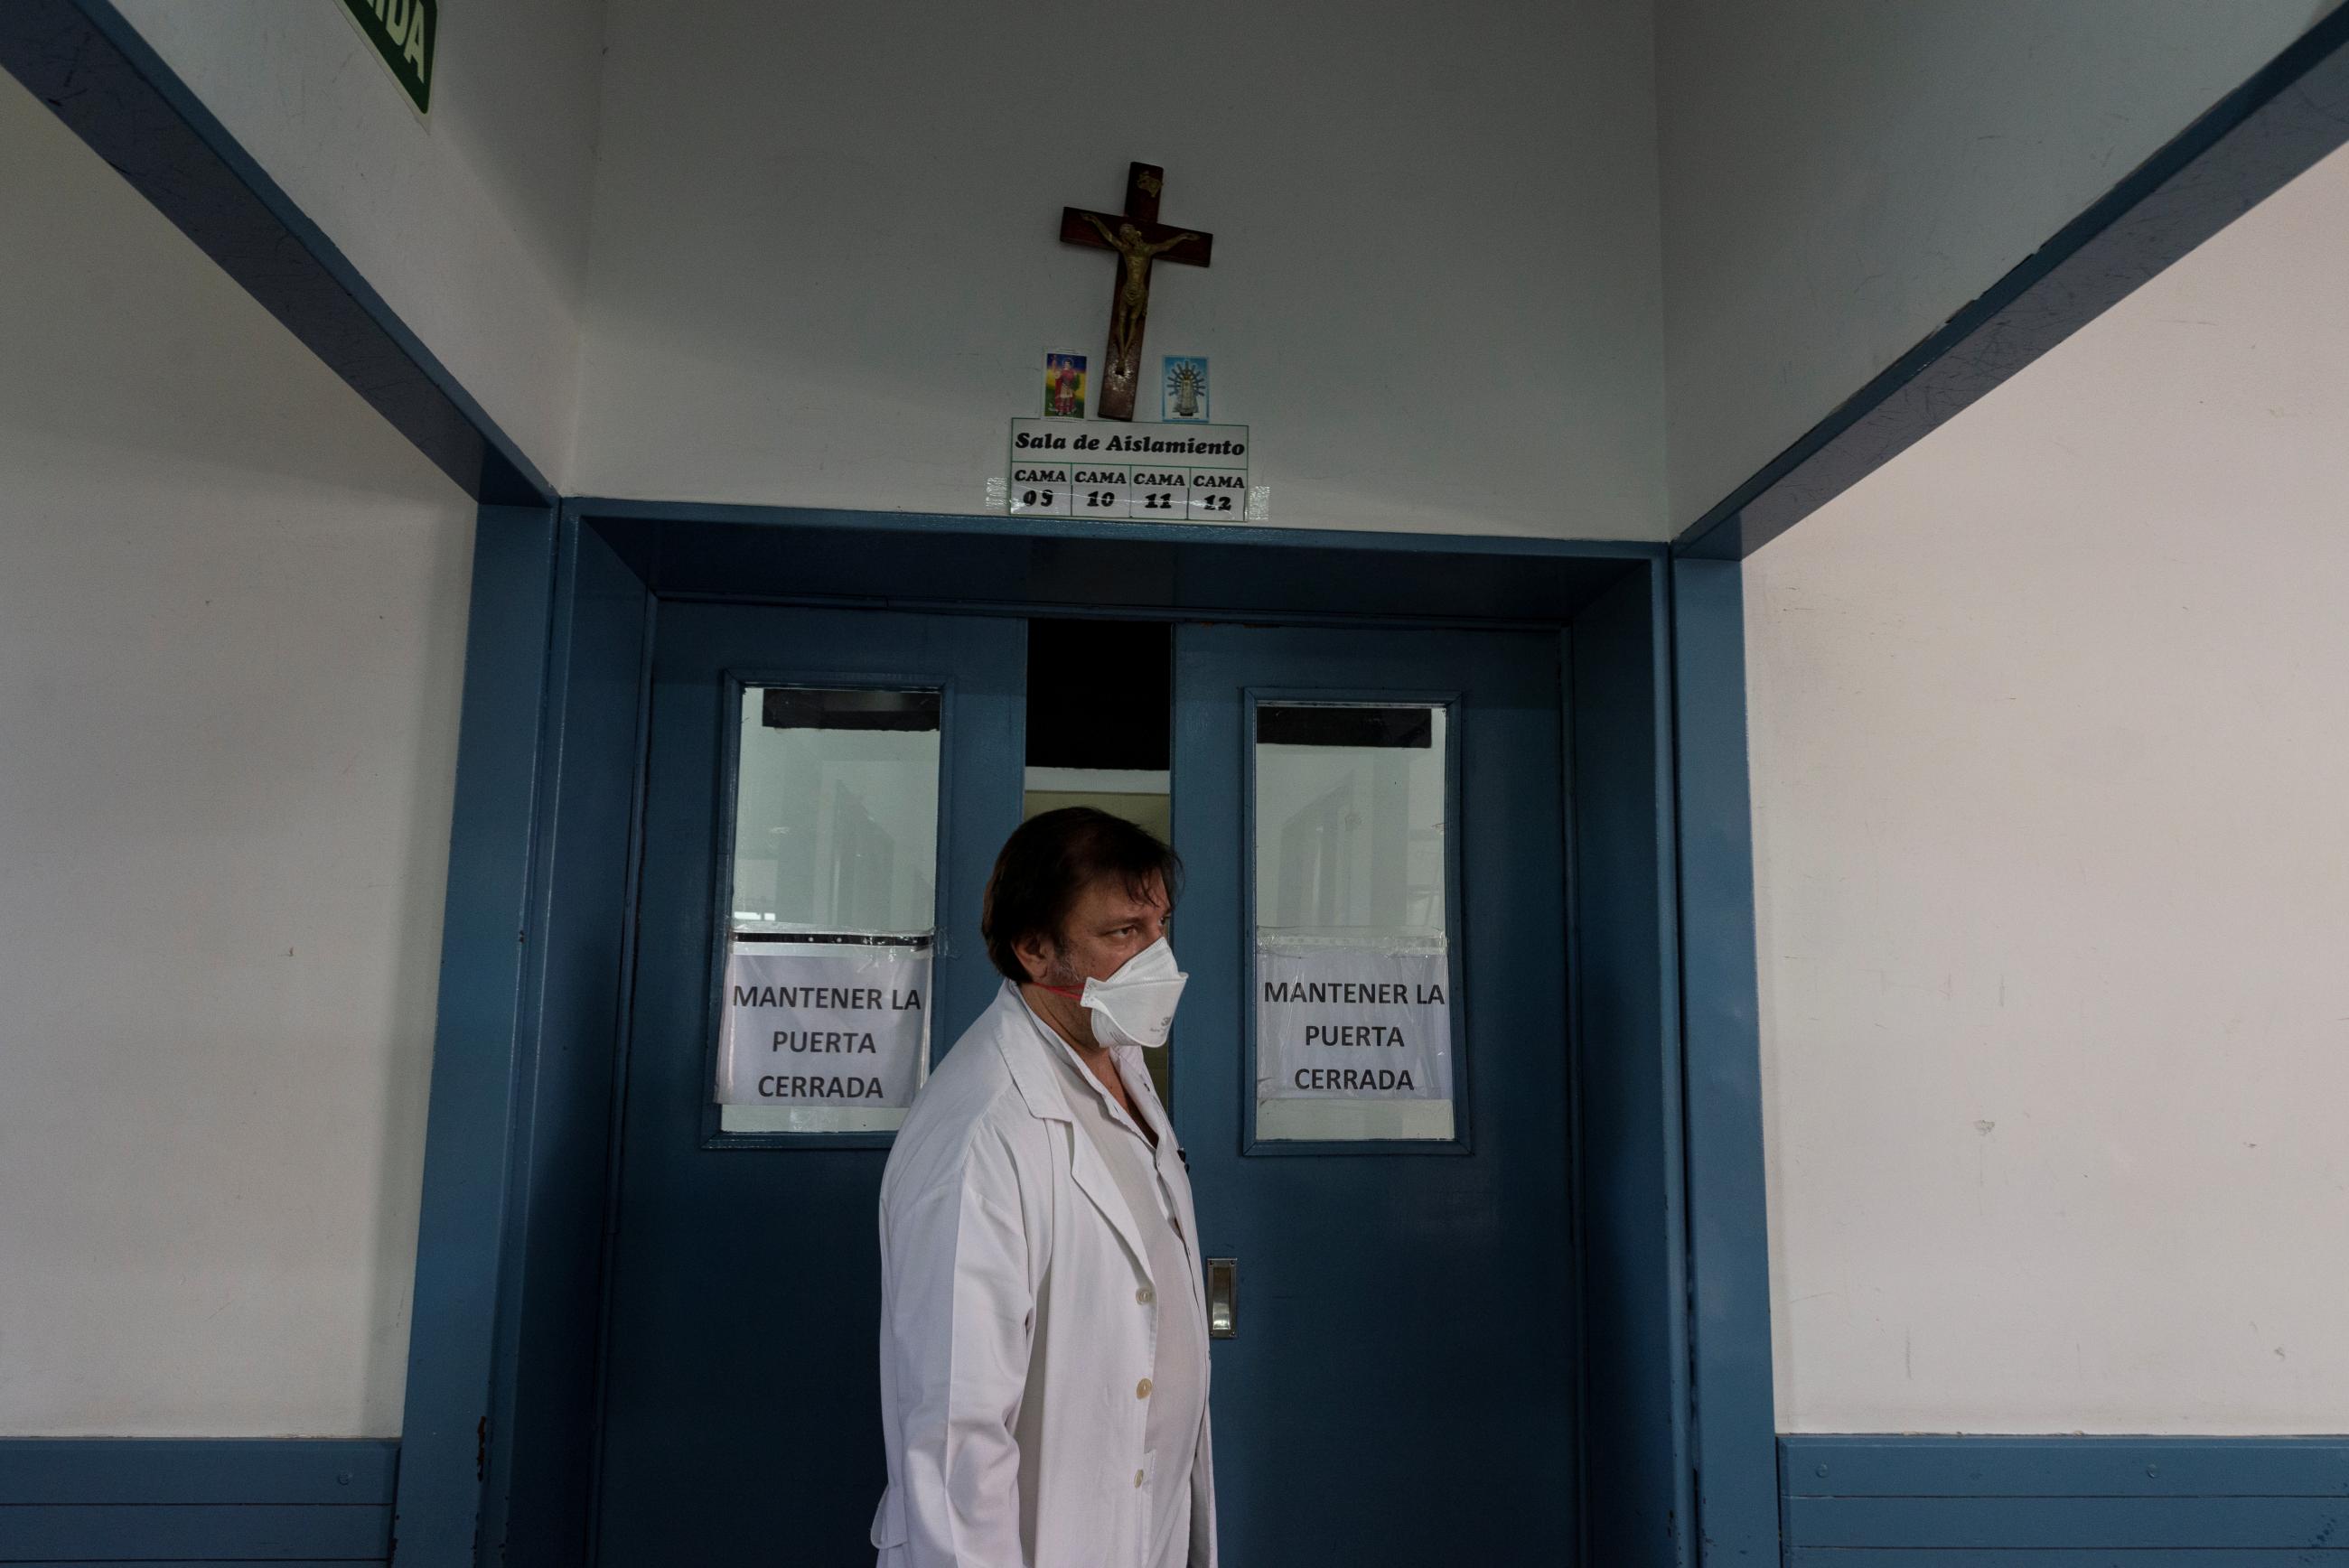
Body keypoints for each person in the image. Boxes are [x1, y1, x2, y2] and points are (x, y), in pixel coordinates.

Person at [869, 807, 1215, 1568]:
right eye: (1123, 933)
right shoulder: (981, 1130)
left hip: (1138, 1527)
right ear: (1034, 949)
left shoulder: (1113, 1061)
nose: (1158, 956)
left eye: (1161, 925)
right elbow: (956, 1432)